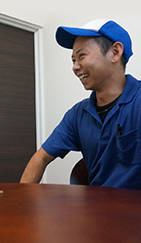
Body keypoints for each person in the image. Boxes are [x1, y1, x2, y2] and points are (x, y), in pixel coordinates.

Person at [20, 18, 141, 189]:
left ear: (115, 52)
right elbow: (41, 157)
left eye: (82, 56)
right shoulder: (78, 114)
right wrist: (21, 202)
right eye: (73, 60)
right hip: (97, 210)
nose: (75, 67)